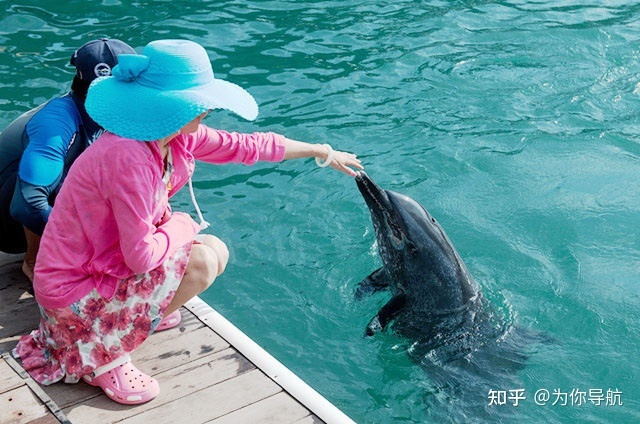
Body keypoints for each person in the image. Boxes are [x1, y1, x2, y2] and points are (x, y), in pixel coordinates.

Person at [13, 39, 363, 405]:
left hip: (103, 267)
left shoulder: (172, 136)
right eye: (201, 102)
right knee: (203, 260)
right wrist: (182, 224)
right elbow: (141, 257)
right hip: (76, 291)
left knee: (214, 252)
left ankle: (135, 318)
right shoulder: (128, 156)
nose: (208, 108)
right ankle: (104, 358)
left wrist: (320, 151)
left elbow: (246, 146)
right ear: (173, 105)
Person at [0, 38, 136, 282]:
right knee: (45, 184)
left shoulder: (102, 116)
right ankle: (34, 263)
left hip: (30, 207)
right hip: (5, 224)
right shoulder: (56, 124)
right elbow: (28, 204)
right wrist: (80, 245)